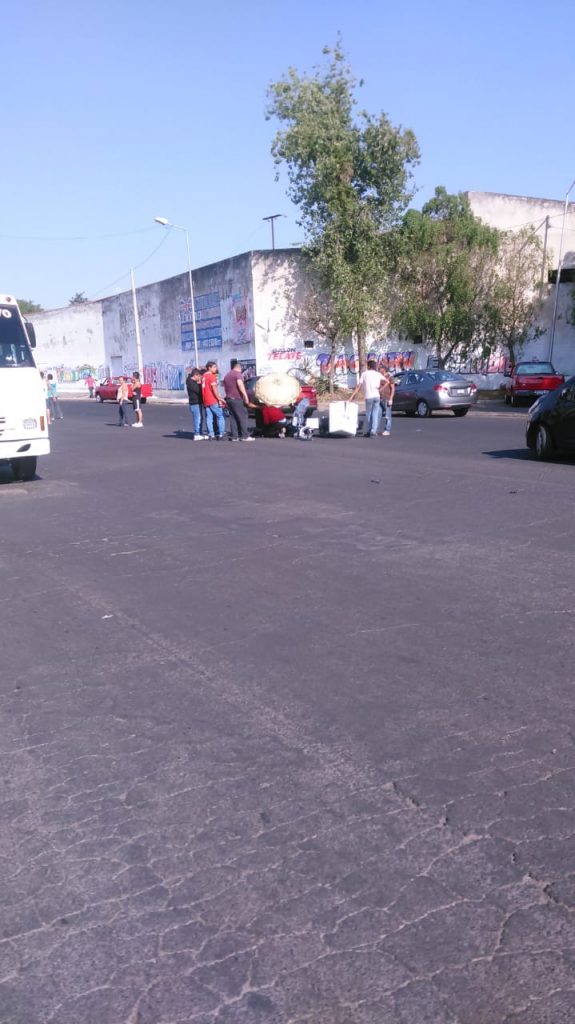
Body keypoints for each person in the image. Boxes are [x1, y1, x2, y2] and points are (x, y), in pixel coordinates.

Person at [349, 360, 384, 437]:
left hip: (369, 396)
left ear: (368, 366)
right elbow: (387, 381)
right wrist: (380, 389)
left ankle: (369, 430)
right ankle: (373, 431)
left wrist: (352, 397)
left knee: (369, 414)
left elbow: (359, 386)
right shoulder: (378, 374)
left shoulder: (365, 374)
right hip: (376, 395)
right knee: (375, 414)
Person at [223, 359, 254, 442]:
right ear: (239, 368)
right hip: (237, 399)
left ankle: (234, 436)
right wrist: (245, 396)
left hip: (229, 399)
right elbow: (240, 384)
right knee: (242, 416)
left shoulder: (227, 375)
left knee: (233, 418)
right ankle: (244, 435)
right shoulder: (237, 374)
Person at [201, 361, 226, 440]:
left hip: (206, 400)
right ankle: (221, 434)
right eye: (214, 367)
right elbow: (214, 389)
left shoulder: (203, 376)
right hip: (213, 400)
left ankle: (211, 434)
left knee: (209, 417)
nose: (216, 369)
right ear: (209, 368)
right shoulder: (211, 377)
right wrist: (219, 398)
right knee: (221, 416)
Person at [186, 368, 205, 439]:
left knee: (200, 418)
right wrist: (200, 385)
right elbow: (198, 391)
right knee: (197, 418)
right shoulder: (191, 382)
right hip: (195, 403)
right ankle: (197, 434)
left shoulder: (192, 381)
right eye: (199, 376)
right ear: (195, 375)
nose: (200, 378)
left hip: (198, 402)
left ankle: (199, 432)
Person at [379, 369, 395, 437]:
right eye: (379, 369)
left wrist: (391, 399)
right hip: (380, 399)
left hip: (387, 398)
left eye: (381, 369)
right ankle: (374, 429)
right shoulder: (379, 377)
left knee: (388, 416)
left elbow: (393, 388)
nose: (380, 370)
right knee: (378, 415)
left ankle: (387, 430)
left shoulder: (390, 376)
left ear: (384, 369)